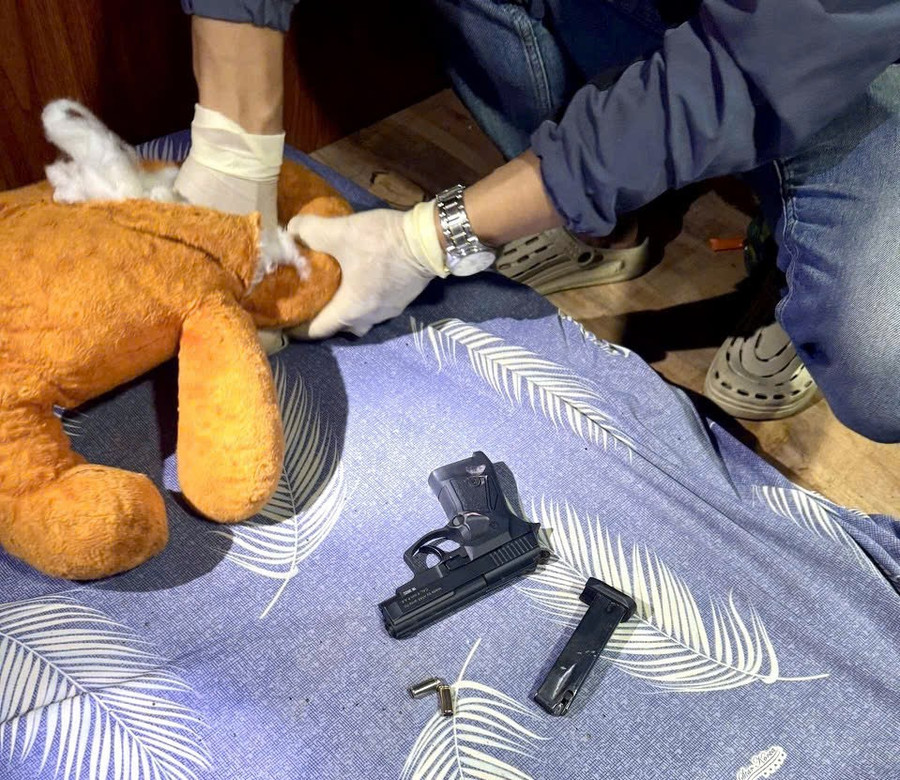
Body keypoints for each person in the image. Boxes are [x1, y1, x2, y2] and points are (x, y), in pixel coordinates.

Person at [175, 1, 900, 444]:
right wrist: (233, 144)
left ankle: (795, 268)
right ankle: (599, 219)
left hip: (851, 46)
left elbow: (764, 61)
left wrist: (429, 237)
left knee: (882, 362)